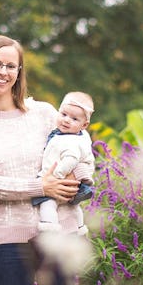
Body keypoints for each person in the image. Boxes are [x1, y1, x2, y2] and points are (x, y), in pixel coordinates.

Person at [0, 35, 94, 285]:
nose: (4, 72)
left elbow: (80, 148)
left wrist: (78, 177)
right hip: (10, 237)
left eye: (12, 66)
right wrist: (41, 187)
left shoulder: (44, 113)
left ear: (19, 72)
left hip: (59, 233)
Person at [32, 91, 95, 235]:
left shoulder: (70, 140)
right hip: (70, 182)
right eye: (64, 114)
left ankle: (49, 227)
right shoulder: (75, 136)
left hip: (57, 179)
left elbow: (71, 159)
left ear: (84, 125)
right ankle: (80, 227)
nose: (66, 120)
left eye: (74, 119)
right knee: (75, 207)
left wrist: (57, 175)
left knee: (47, 203)